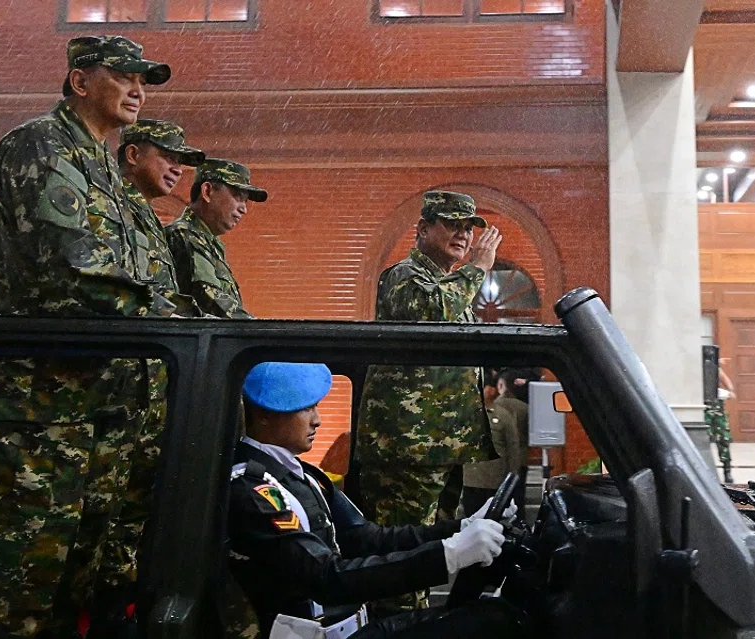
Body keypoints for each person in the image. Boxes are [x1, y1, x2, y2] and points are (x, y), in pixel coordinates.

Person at [0, 35, 175, 639]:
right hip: (41, 402)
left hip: (100, 401)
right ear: (81, 82)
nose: (138, 90)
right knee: (19, 590)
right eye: (125, 77)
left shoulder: (104, 163)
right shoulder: (39, 144)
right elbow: (71, 266)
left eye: (145, 82)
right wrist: (168, 321)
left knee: (72, 588)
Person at [228, 362, 528, 639]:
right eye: (305, 409)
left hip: (348, 626)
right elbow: (326, 579)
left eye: (315, 407)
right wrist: (448, 556)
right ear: (264, 415)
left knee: (490, 617)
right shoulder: (252, 489)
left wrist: (462, 527)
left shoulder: (303, 475)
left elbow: (368, 538)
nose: (317, 420)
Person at [354, 189, 501, 613]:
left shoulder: (449, 285)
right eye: (450, 224)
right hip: (405, 449)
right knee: (399, 563)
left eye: (468, 228)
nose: (462, 235)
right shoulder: (404, 276)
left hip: (437, 447)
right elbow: (433, 311)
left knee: (427, 557)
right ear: (422, 229)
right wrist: (478, 269)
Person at [87, 119, 206, 635]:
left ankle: (116, 614)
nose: (177, 169)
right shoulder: (107, 206)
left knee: (129, 523)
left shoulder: (150, 219)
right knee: (96, 524)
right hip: (106, 396)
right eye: (167, 157)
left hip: (145, 395)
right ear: (132, 154)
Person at [164, 158, 267, 319]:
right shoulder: (184, 234)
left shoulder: (208, 241)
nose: (244, 209)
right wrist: (256, 329)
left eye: (245, 201)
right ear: (207, 191)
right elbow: (207, 296)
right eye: (238, 197)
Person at [462, 368, 533, 518]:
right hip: (469, 480)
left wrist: (512, 476)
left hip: (493, 479)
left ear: (492, 389)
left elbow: (512, 446)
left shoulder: (502, 414)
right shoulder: (464, 412)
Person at [706, 358, 735, 484]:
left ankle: (727, 470)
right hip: (702, 409)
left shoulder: (714, 368)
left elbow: (727, 383)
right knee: (702, 439)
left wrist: (729, 391)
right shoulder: (694, 369)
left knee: (723, 438)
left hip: (717, 408)